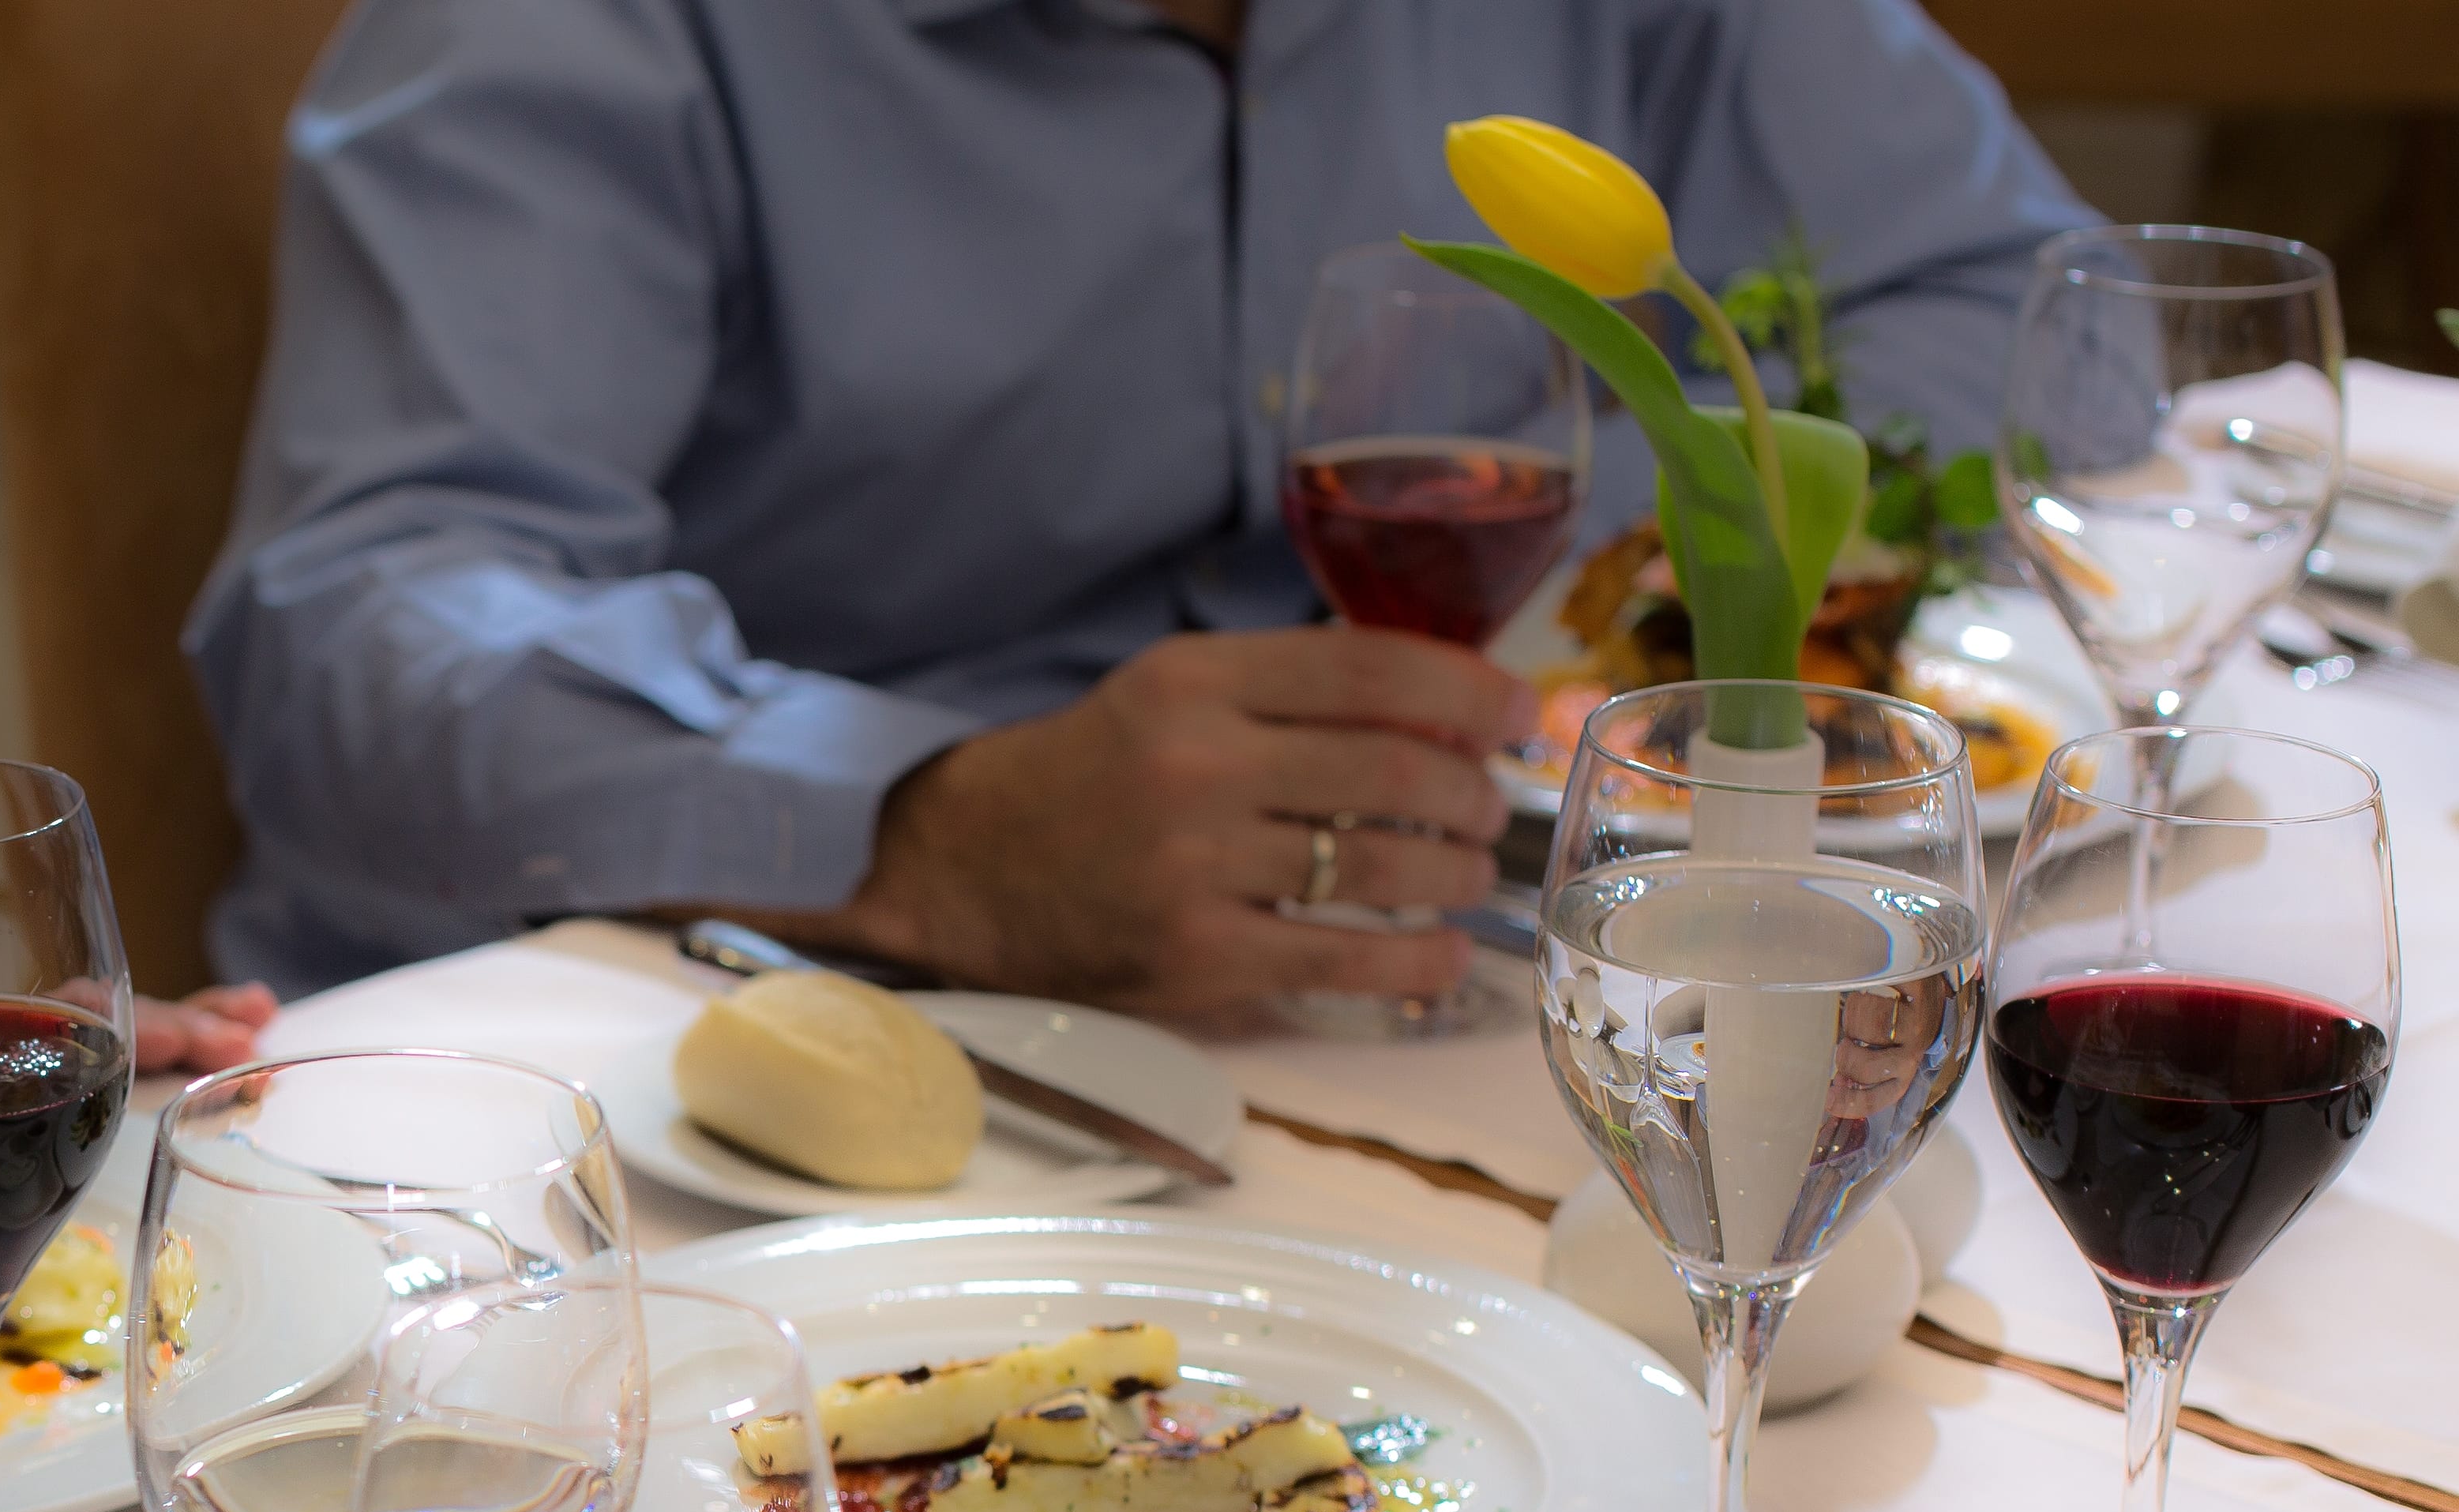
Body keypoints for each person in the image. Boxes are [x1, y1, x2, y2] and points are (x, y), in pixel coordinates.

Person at [186, 0, 2089, 1023]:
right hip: (735, 1012)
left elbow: (2020, 307)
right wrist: (929, 831)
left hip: (1418, 990)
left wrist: (1651, 575)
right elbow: (359, 622)